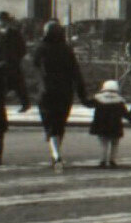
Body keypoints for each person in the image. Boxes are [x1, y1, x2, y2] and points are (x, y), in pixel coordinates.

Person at [31, 20, 90, 171]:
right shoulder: (66, 50)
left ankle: (56, 154)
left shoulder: (40, 49)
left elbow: (35, 67)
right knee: (59, 123)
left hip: (46, 91)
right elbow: (76, 73)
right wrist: (83, 96)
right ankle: (56, 152)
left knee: (49, 124)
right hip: (65, 92)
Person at [88, 78, 131, 168]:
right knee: (115, 143)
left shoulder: (98, 99)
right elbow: (125, 114)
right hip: (115, 126)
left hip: (101, 126)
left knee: (104, 144)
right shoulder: (119, 101)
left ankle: (103, 161)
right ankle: (112, 160)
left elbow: (88, 104)